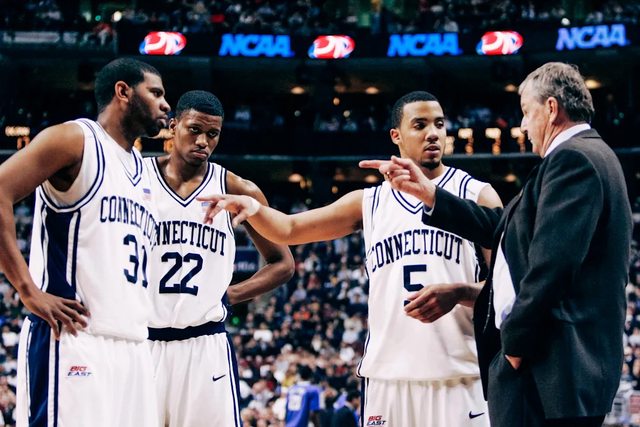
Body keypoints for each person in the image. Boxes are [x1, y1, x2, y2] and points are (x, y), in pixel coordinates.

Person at [200, 91, 503, 426]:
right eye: (420, 125)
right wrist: (254, 208)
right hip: (387, 379)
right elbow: (290, 228)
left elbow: (505, 287)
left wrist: (460, 292)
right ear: (396, 136)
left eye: (439, 124)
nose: (433, 133)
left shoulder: (477, 194)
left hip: (459, 376)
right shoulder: (369, 202)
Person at [361, 62, 633, 427]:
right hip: (559, 371)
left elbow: (551, 268)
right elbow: (504, 228)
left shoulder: (574, 160)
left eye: (526, 112)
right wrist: (430, 195)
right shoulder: (588, 155)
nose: (523, 125)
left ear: (551, 109)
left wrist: (514, 346)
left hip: (553, 370)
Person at [0, 58, 170, 426]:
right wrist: (27, 290)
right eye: (155, 93)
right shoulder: (75, 139)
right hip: (75, 337)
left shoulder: (142, 169)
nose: (165, 104)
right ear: (123, 92)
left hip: (133, 344)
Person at [144, 90, 294, 427]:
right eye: (194, 129)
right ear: (173, 126)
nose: (203, 141)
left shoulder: (238, 189)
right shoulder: (136, 178)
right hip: (142, 341)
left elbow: (282, 263)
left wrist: (231, 295)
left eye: (212, 134)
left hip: (204, 344)